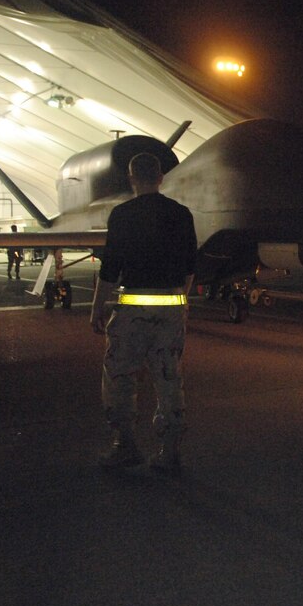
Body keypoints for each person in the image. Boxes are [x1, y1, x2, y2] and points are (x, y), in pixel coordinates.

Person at [90, 153, 198, 473]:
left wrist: (97, 308)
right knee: (168, 378)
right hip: (172, 310)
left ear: (132, 177)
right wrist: (178, 300)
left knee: (120, 377)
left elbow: (109, 268)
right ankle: (169, 452)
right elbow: (190, 267)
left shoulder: (122, 214)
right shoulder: (181, 215)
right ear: (161, 177)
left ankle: (125, 445)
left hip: (132, 312)